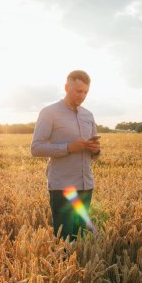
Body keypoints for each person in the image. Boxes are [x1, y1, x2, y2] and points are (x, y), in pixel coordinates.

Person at [31, 70, 100, 241]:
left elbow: (96, 154)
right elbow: (36, 148)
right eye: (78, 91)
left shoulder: (88, 115)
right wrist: (68, 147)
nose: (82, 96)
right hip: (63, 187)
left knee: (81, 239)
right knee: (64, 240)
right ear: (66, 87)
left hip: (86, 186)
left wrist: (95, 150)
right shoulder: (49, 112)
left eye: (86, 92)